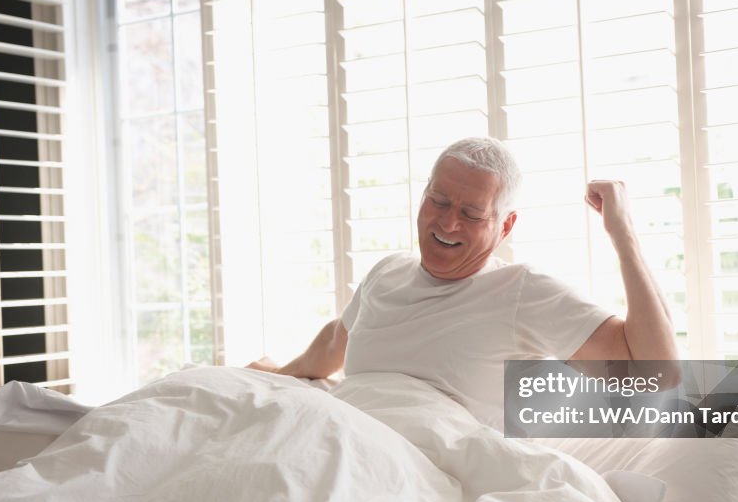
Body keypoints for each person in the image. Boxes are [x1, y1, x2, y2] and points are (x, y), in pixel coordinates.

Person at [248, 137, 678, 431]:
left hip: (430, 468)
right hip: (348, 440)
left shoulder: (522, 292)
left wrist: (623, 235)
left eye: (471, 214)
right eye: (438, 200)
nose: (447, 222)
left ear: (505, 225)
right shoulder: (386, 273)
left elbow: (658, 374)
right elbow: (336, 342)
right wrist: (280, 374)